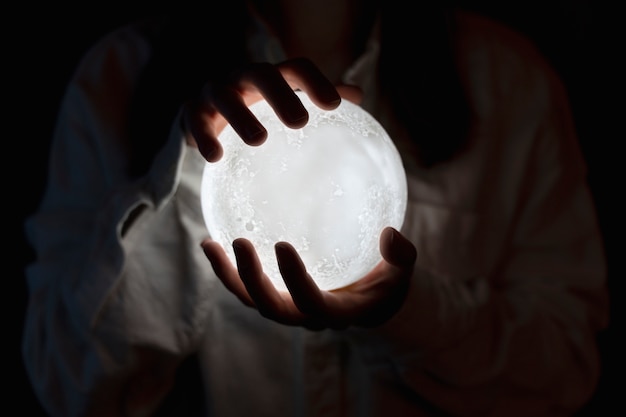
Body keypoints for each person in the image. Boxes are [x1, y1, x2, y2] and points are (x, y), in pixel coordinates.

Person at [22, 1, 609, 416]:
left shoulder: (508, 85)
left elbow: (565, 372)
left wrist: (410, 314)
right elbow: (72, 387)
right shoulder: (118, 80)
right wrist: (191, 173)